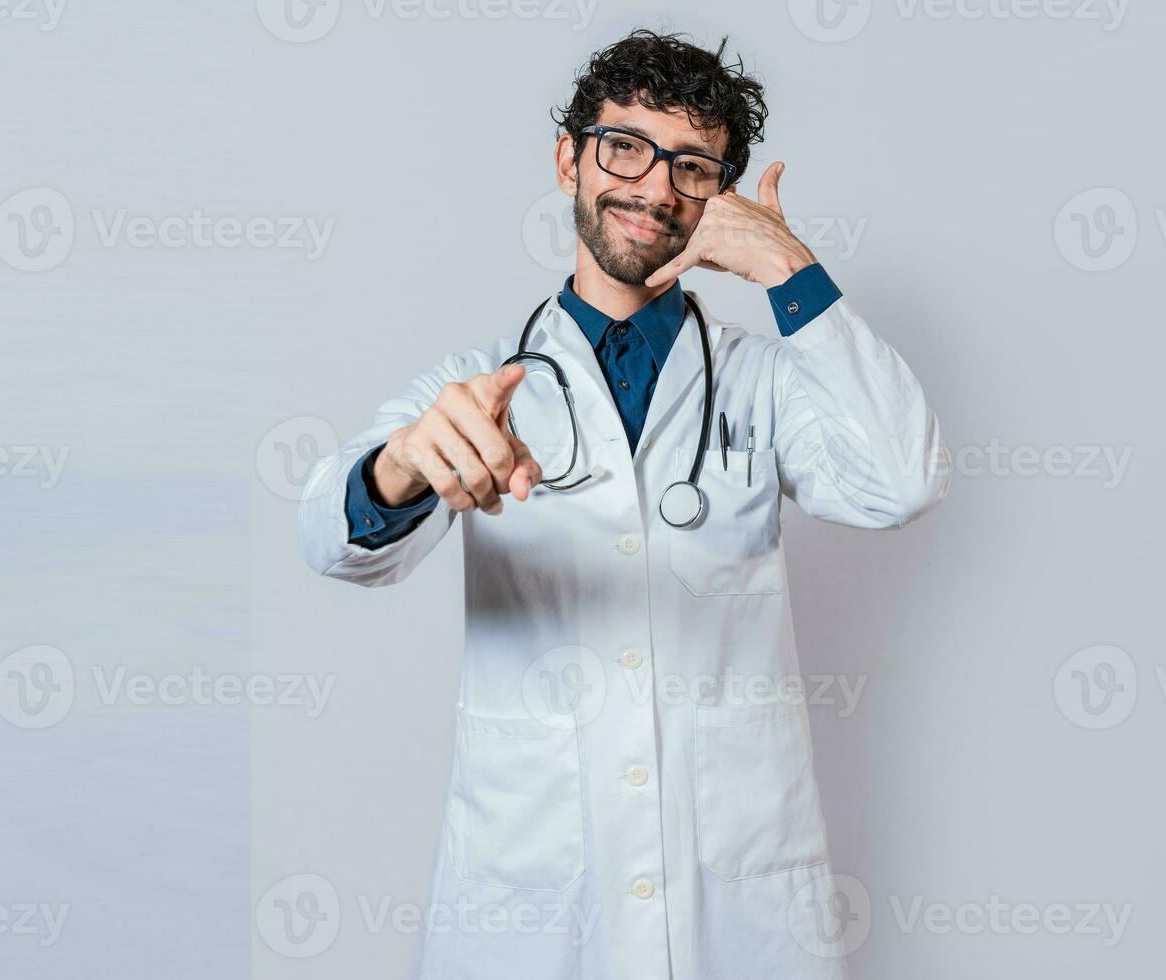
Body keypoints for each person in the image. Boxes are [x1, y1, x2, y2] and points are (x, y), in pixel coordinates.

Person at [299, 28, 950, 980]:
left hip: (734, 895)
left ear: (719, 195)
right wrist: (400, 466)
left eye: (691, 166)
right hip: (533, 894)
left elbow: (901, 479)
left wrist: (787, 269)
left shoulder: (764, 383)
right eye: (624, 147)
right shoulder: (476, 383)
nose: (652, 187)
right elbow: (329, 536)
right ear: (570, 157)